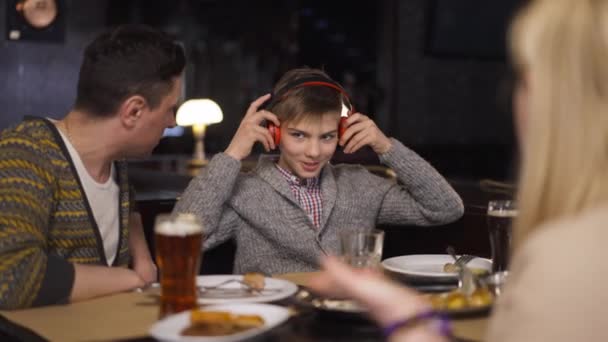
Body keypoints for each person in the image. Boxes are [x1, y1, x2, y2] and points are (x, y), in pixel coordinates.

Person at [308, 0, 608, 341]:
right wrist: (404, 313)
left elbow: (445, 205)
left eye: (521, 81)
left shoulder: (564, 258)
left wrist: (386, 146)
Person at [174, 67, 464, 274]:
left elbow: (445, 207)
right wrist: (232, 154)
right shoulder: (245, 192)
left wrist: (386, 146)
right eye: (298, 135)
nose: (314, 152)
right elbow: (179, 239)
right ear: (274, 133)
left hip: (346, 321)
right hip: (275, 324)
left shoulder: (361, 186)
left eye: (326, 137)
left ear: (341, 133)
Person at [0, 24, 186, 310]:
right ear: (133, 111)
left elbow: (123, 205)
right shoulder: (24, 152)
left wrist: (143, 257)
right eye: (170, 109)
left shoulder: (116, 161)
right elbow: (10, 275)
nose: (173, 122)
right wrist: (132, 278)